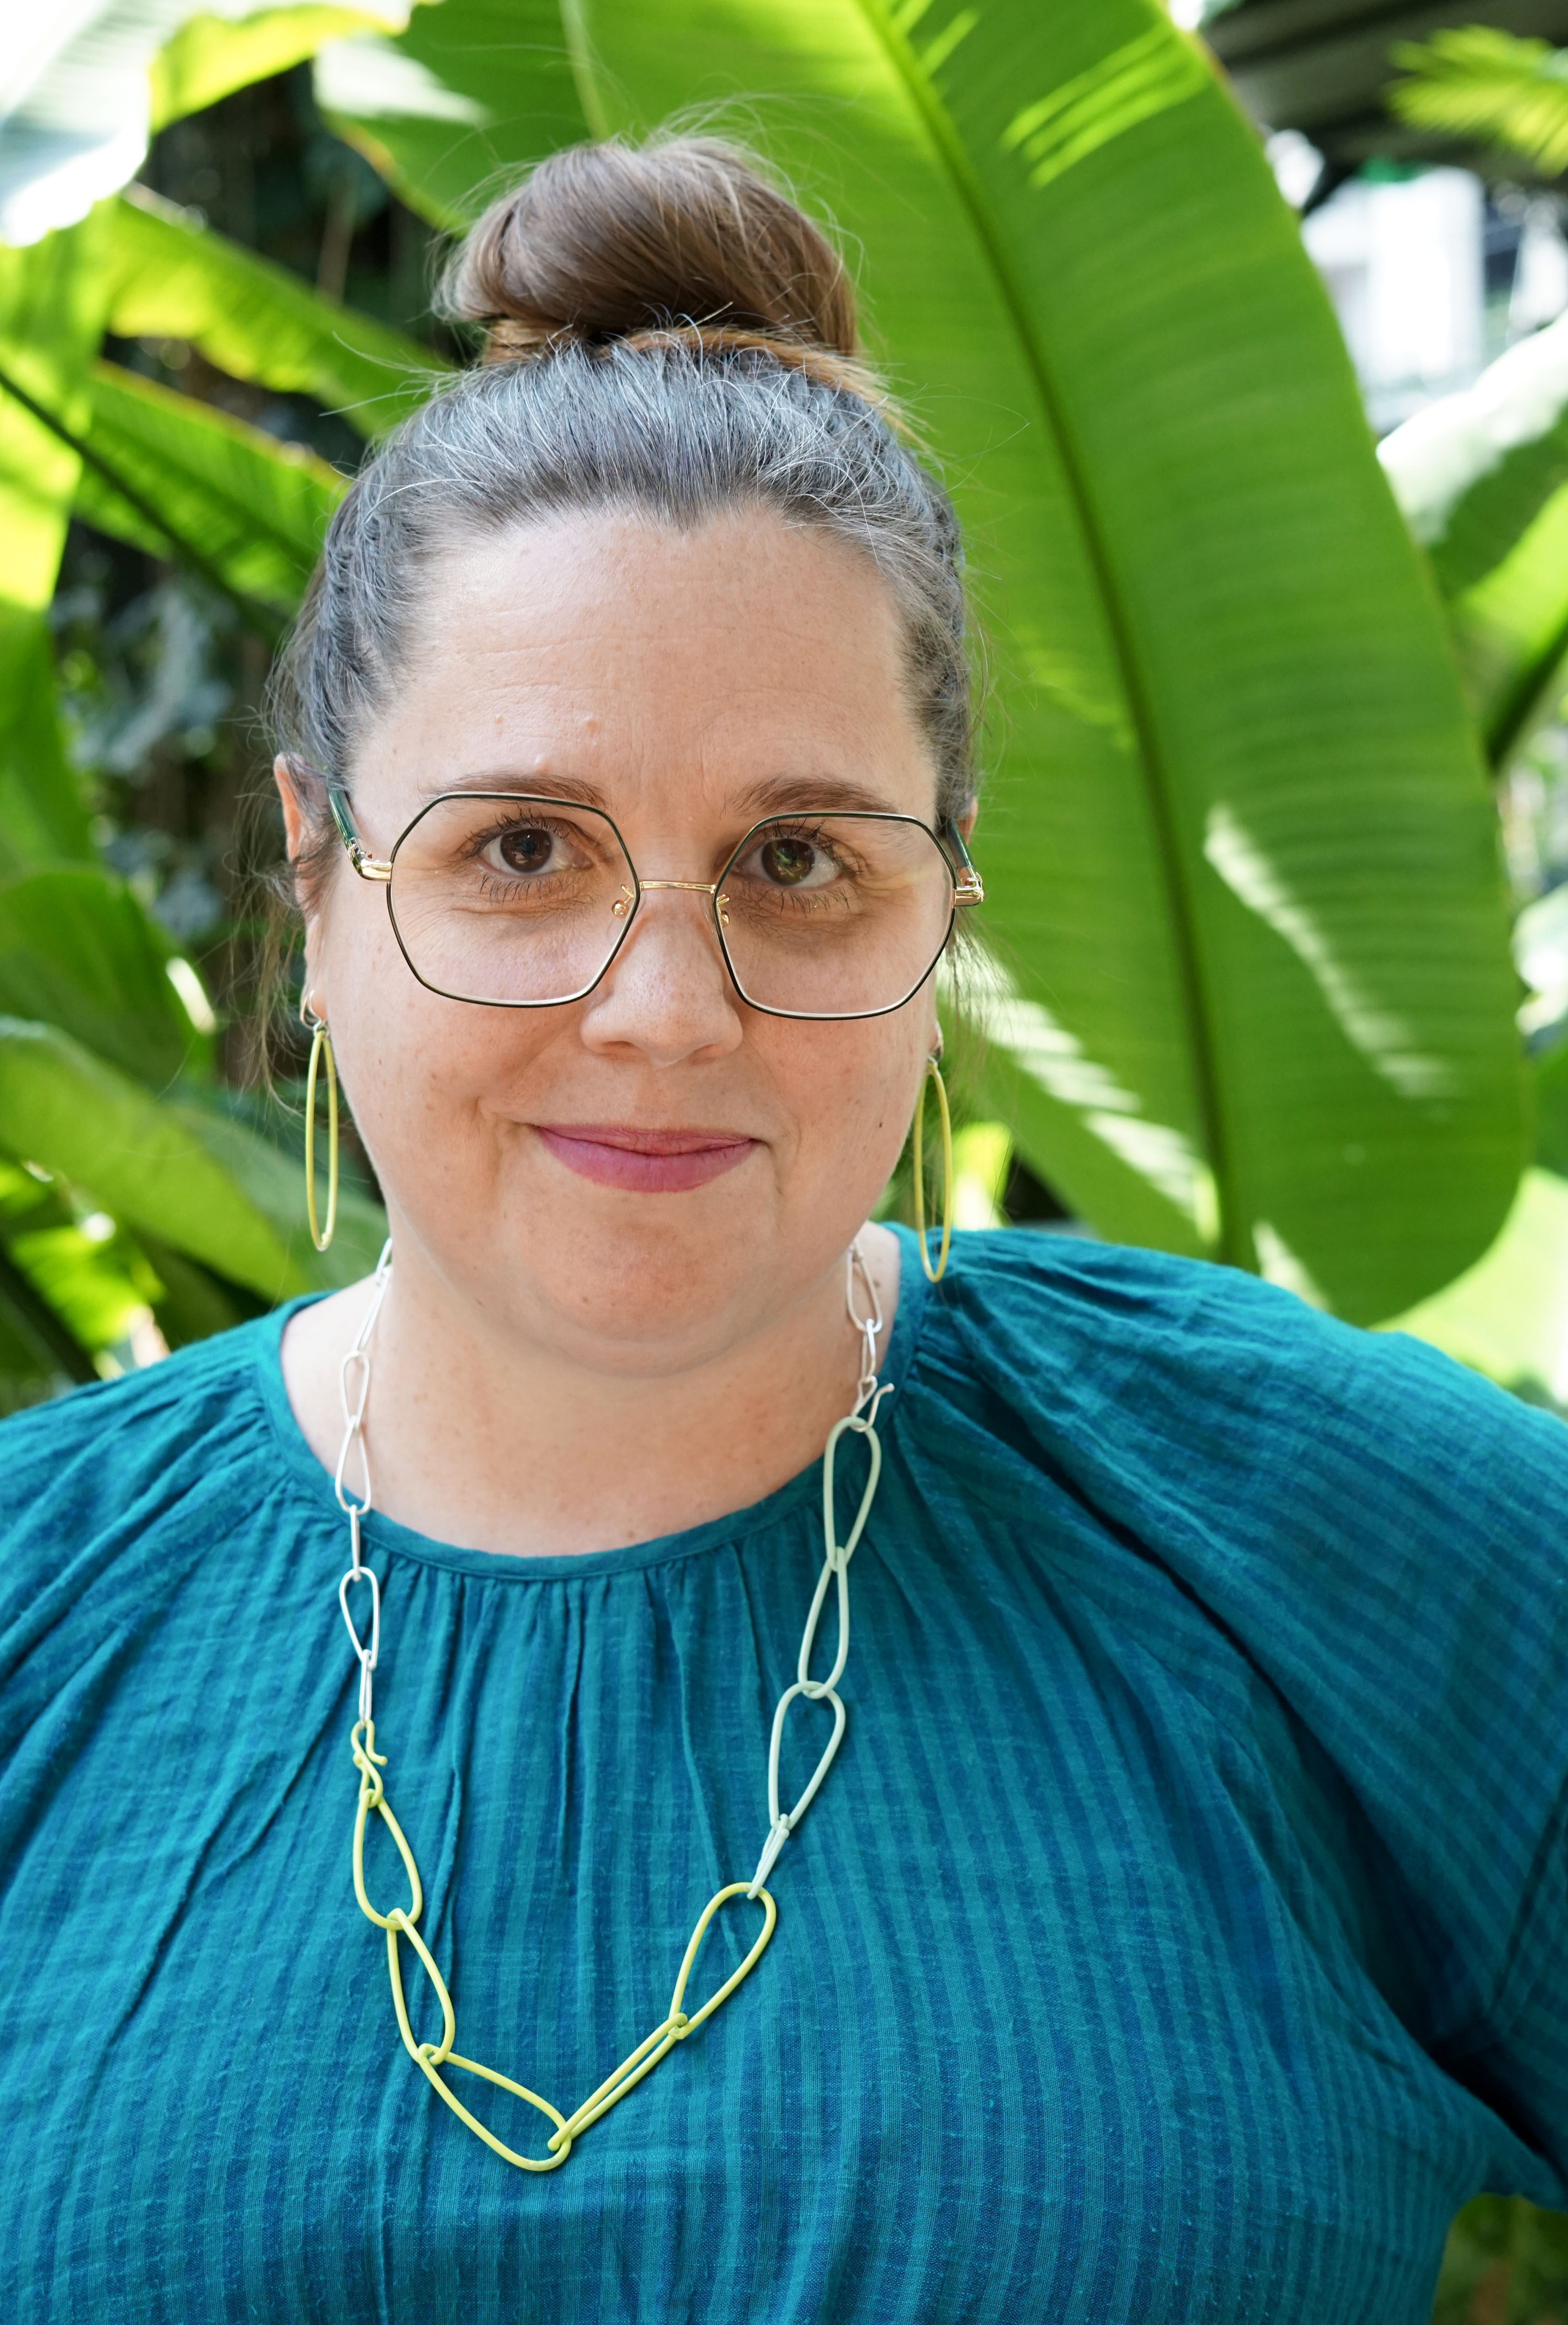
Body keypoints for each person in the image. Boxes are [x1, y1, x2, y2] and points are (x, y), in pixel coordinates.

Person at [1, 132, 1564, 2325]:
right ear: (321, 872)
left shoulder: (1303, 1527)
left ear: (946, 905)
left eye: (801, 863)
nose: (659, 1011)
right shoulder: (40, 1604)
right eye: (522, 847)